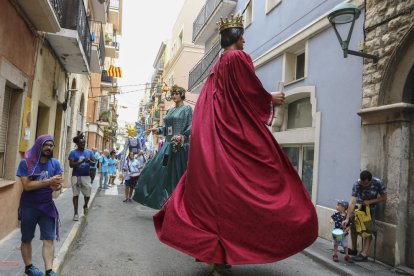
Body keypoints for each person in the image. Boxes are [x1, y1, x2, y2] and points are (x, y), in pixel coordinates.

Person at [153, 14, 318, 275]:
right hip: (231, 132)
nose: (244, 38)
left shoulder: (218, 65)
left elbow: (226, 98)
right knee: (269, 172)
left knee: (218, 196)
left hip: (215, 132)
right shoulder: (238, 58)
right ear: (235, 36)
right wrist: (270, 98)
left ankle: (219, 258)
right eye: (242, 34)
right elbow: (248, 91)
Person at [133, 85, 192, 209]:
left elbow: (191, 126)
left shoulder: (187, 109)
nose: (173, 95)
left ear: (181, 94)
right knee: (157, 169)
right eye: (172, 93)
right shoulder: (170, 110)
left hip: (180, 148)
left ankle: (177, 205)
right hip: (167, 148)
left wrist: (182, 137)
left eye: (176, 93)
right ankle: (163, 202)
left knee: (177, 175)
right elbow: (166, 128)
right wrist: (158, 130)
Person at [16, 135, 63, 276]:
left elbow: (58, 184)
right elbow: (27, 186)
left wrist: (56, 187)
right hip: (28, 207)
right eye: (46, 145)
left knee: (49, 239)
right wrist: (49, 182)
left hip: (47, 207)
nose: (49, 148)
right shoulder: (26, 163)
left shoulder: (55, 163)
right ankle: (29, 267)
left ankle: (49, 270)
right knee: (27, 238)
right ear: (38, 145)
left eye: (51, 145)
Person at [342, 170, 387, 262]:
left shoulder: (378, 183)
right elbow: (352, 202)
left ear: (370, 180)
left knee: (367, 231)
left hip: (370, 210)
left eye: (365, 183)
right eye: (362, 182)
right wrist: (347, 218)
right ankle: (354, 250)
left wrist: (370, 202)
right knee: (353, 228)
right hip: (358, 208)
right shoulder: (357, 184)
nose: (364, 185)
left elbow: (384, 197)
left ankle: (364, 254)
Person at [68, 134, 95, 221]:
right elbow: (71, 165)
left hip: (86, 176)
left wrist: (89, 161)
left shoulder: (89, 152)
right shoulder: (73, 152)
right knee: (75, 195)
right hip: (75, 176)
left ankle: (85, 205)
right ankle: (76, 213)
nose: (83, 144)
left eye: (84, 143)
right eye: (81, 143)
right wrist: (82, 161)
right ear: (78, 144)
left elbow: (94, 163)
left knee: (88, 193)